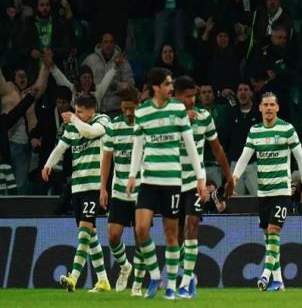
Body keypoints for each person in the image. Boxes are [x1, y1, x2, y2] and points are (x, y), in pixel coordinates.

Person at [125, 68, 205, 300]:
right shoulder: (142, 112)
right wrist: (132, 175)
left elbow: (190, 145)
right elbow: (138, 145)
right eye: (168, 84)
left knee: (171, 235)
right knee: (141, 230)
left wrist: (200, 177)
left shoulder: (178, 110)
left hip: (172, 181)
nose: (172, 88)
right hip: (148, 180)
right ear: (156, 87)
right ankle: (154, 276)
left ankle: (171, 287)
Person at [232, 92, 302, 292]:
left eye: (271, 105)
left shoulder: (287, 129)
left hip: (282, 191)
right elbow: (244, 158)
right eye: (265, 105)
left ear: (277, 108)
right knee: (269, 237)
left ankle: (265, 274)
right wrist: (233, 179)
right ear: (260, 108)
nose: (268, 108)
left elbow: (300, 159)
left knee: (274, 230)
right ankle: (278, 281)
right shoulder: (255, 131)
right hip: (263, 192)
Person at [42, 93, 111, 292]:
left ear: (92, 111)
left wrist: (73, 118)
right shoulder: (73, 127)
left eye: (80, 111)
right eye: (76, 111)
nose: (77, 114)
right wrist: (48, 164)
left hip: (94, 186)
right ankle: (103, 280)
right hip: (78, 187)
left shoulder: (102, 121)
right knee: (91, 235)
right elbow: (61, 147)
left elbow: (89, 132)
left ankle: (73, 277)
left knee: (84, 231)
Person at [174, 76, 234, 298]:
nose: (191, 100)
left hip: (194, 182)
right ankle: (185, 270)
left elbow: (217, 149)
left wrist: (229, 177)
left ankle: (187, 281)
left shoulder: (204, 117)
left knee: (192, 225)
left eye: (193, 96)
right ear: (176, 96)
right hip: (170, 182)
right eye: (187, 96)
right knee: (176, 234)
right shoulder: (164, 116)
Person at [99, 85, 145, 296]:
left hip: (142, 192)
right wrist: (103, 188)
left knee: (141, 237)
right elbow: (107, 160)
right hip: (119, 192)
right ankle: (125, 266)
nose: (128, 112)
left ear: (138, 105)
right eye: (124, 108)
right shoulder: (114, 126)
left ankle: (138, 284)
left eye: (131, 108)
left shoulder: (146, 126)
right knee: (113, 236)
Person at [82, 32, 135, 116]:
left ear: (115, 44)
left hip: (116, 109)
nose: (108, 45)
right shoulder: (90, 60)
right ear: (100, 44)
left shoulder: (123, 62)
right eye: (106, 42)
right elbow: (81, 81)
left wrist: (117, 85)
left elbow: (131, 86)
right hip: (94, 109)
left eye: (111, 42)